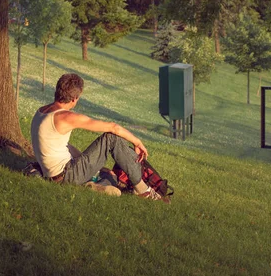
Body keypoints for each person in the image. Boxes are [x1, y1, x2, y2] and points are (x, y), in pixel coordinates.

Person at [30, 73, 169, 203]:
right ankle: (143, 190)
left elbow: (61, 146)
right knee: (111, 138)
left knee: (109, 174)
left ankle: (94, 185)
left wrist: (94, 166)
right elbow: (113, 128)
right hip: (67, 174)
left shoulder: (41, 112)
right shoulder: (66, 117)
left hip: (55, 174)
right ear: (74, 99)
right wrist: (137, 142)